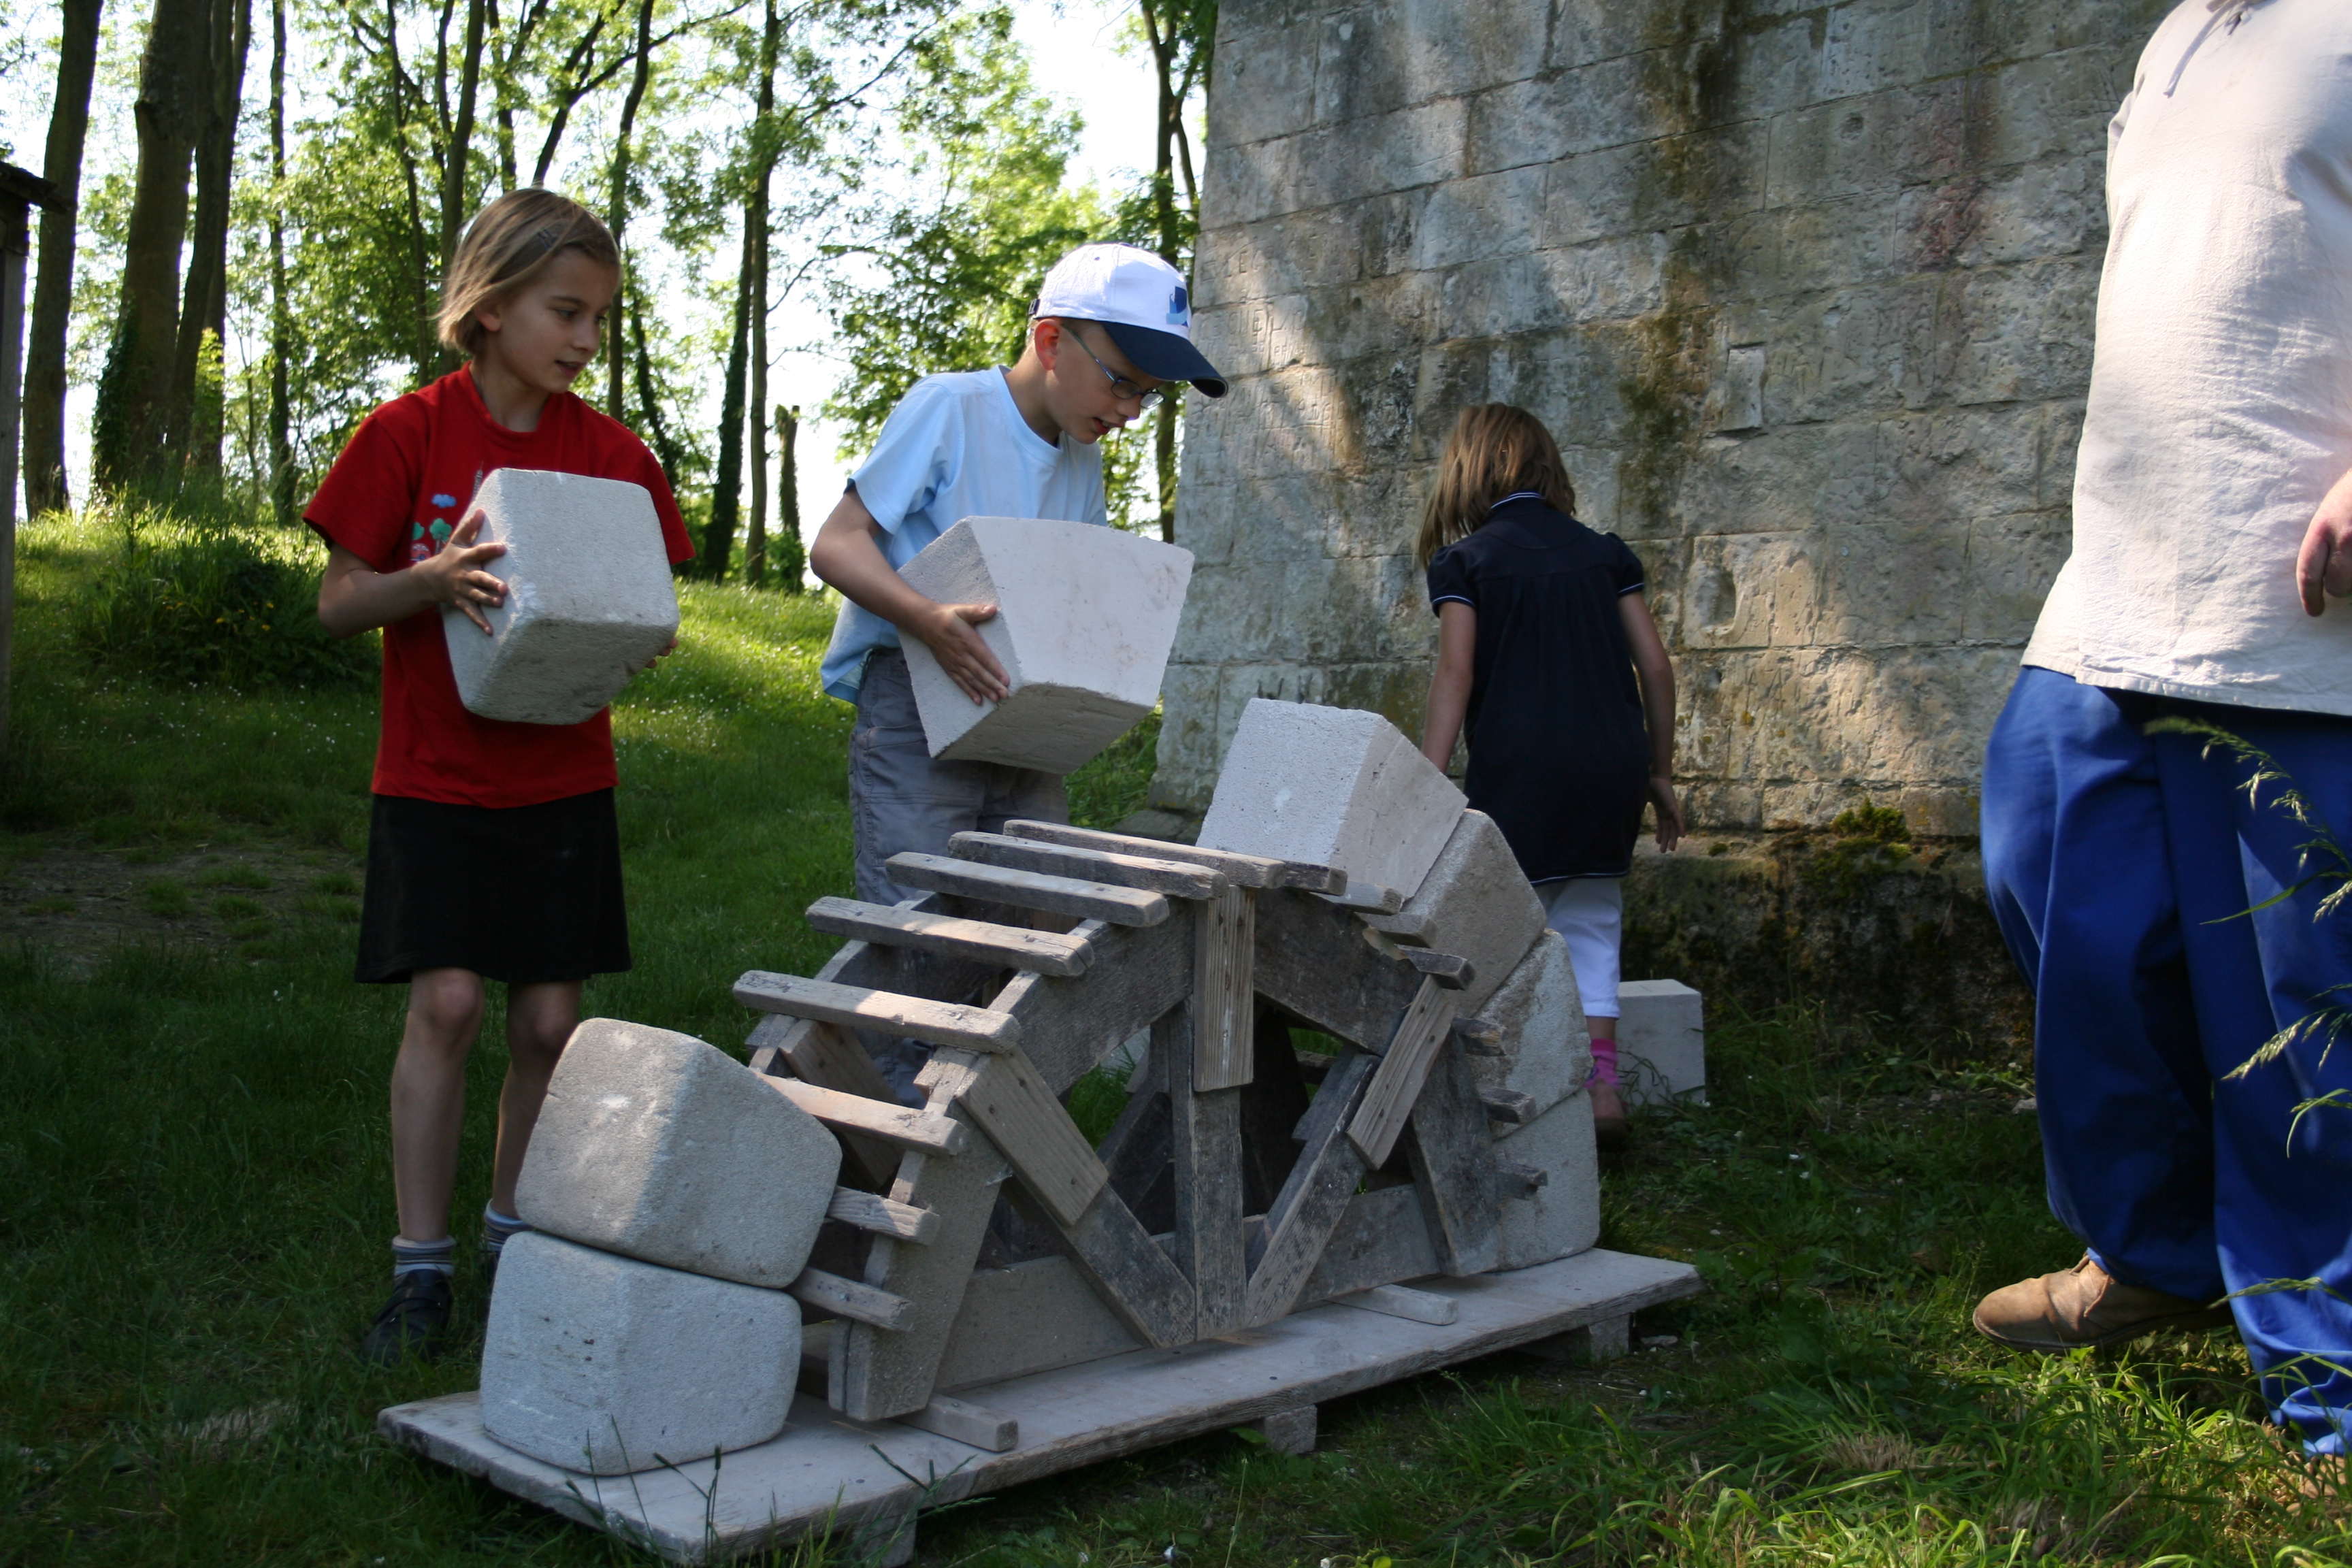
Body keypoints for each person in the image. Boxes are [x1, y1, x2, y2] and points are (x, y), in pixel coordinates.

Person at [1973, 0, 2352, 1457]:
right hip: (2116, 595)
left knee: (2294, 1010)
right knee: (2050, 886)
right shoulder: (2183, 31)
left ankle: (2326, 1373)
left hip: (2296, 623)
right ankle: (2157, 1251)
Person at [307, 189, 694, 1364]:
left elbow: (658, 612)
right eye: (563, 311)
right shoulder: (407, 434)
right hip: (431, 774)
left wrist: (624, 622)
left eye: (598, 318)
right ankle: (420, 1271)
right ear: (490, 304)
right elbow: (336, 605)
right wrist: (429, 577)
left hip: (563, 773)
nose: (583, 339)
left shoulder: (615, 458)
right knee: (450, 1002)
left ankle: (511, 1234)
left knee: (549, 1019)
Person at [807, 243, 1227, 1099]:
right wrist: (926, 619)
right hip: (920, 707)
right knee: (917, 926)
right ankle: (888, 1133)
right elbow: (835, 543)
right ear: (1049, 341)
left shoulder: (1081, 456)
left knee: (1027, 920)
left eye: (1150, 395)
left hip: (1021, 726)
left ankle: (986, 1131)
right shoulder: (951, 410)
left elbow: (1072, 596)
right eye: (1122, 382)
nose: (1132, 410)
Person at [1414, 405, 1683, 1147]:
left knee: (1500, 925)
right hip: (1611, 766)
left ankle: (1503, 1097)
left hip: (1521, 770)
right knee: (1592, 924)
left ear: (1466, 470)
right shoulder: (1605, 554)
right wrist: (1660, 772)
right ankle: (1602, 1089)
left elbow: (1456, 672)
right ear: (1547, 466)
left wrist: (1428, 782)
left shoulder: (1466, 562)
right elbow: (1655, 667)